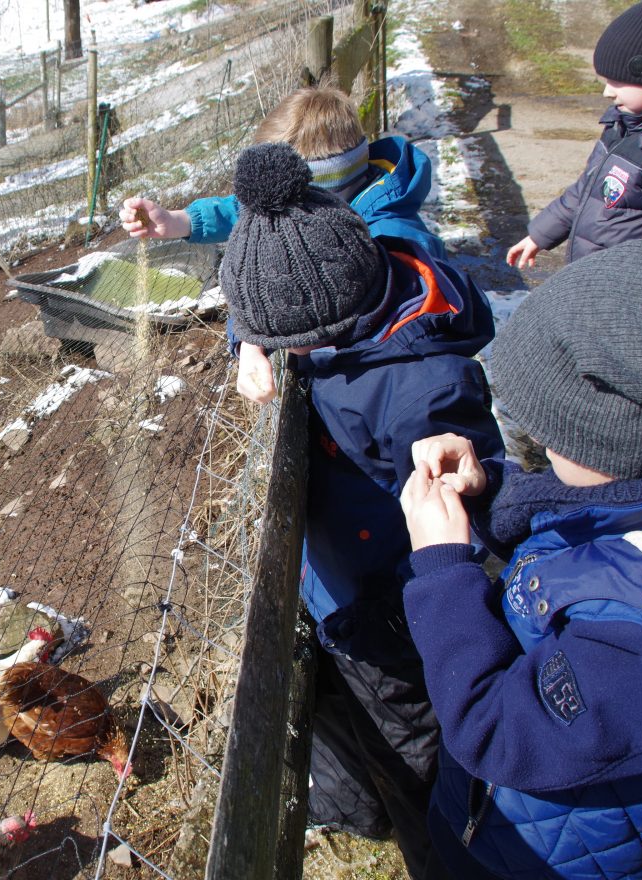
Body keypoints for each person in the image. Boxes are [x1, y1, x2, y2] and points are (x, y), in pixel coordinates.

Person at [400, 238, 642, 879]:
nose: (533, 437)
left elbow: (498, 732)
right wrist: (495, 488)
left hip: (536, 858)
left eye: (544, 427)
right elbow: (595, 534)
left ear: (601, 436)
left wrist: (444, 566)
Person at [218, 142, 504, 877]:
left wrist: (465, 473)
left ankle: (447, 847)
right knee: (371, 729)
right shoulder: (354, 278)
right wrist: (247, 344)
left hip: (394, 601)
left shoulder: (417, 393)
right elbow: (271, 298)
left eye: (285, 345)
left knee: (415, 746)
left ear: (322, 329)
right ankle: (391, 807)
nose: (284, 354)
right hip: (353, 577)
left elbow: (474, 480)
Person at [118, 85, 443, 405]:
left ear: (319, 195)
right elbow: (241, 209)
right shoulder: (319, 209)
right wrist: (179, 222)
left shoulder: (391, 244)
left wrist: (256, 336)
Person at [506, 0, 642, 268]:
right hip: (596, 274)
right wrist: (540, 234)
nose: (607, 92)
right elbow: (586, 191)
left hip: (624, 290)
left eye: (617, 82)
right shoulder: (628, 122)